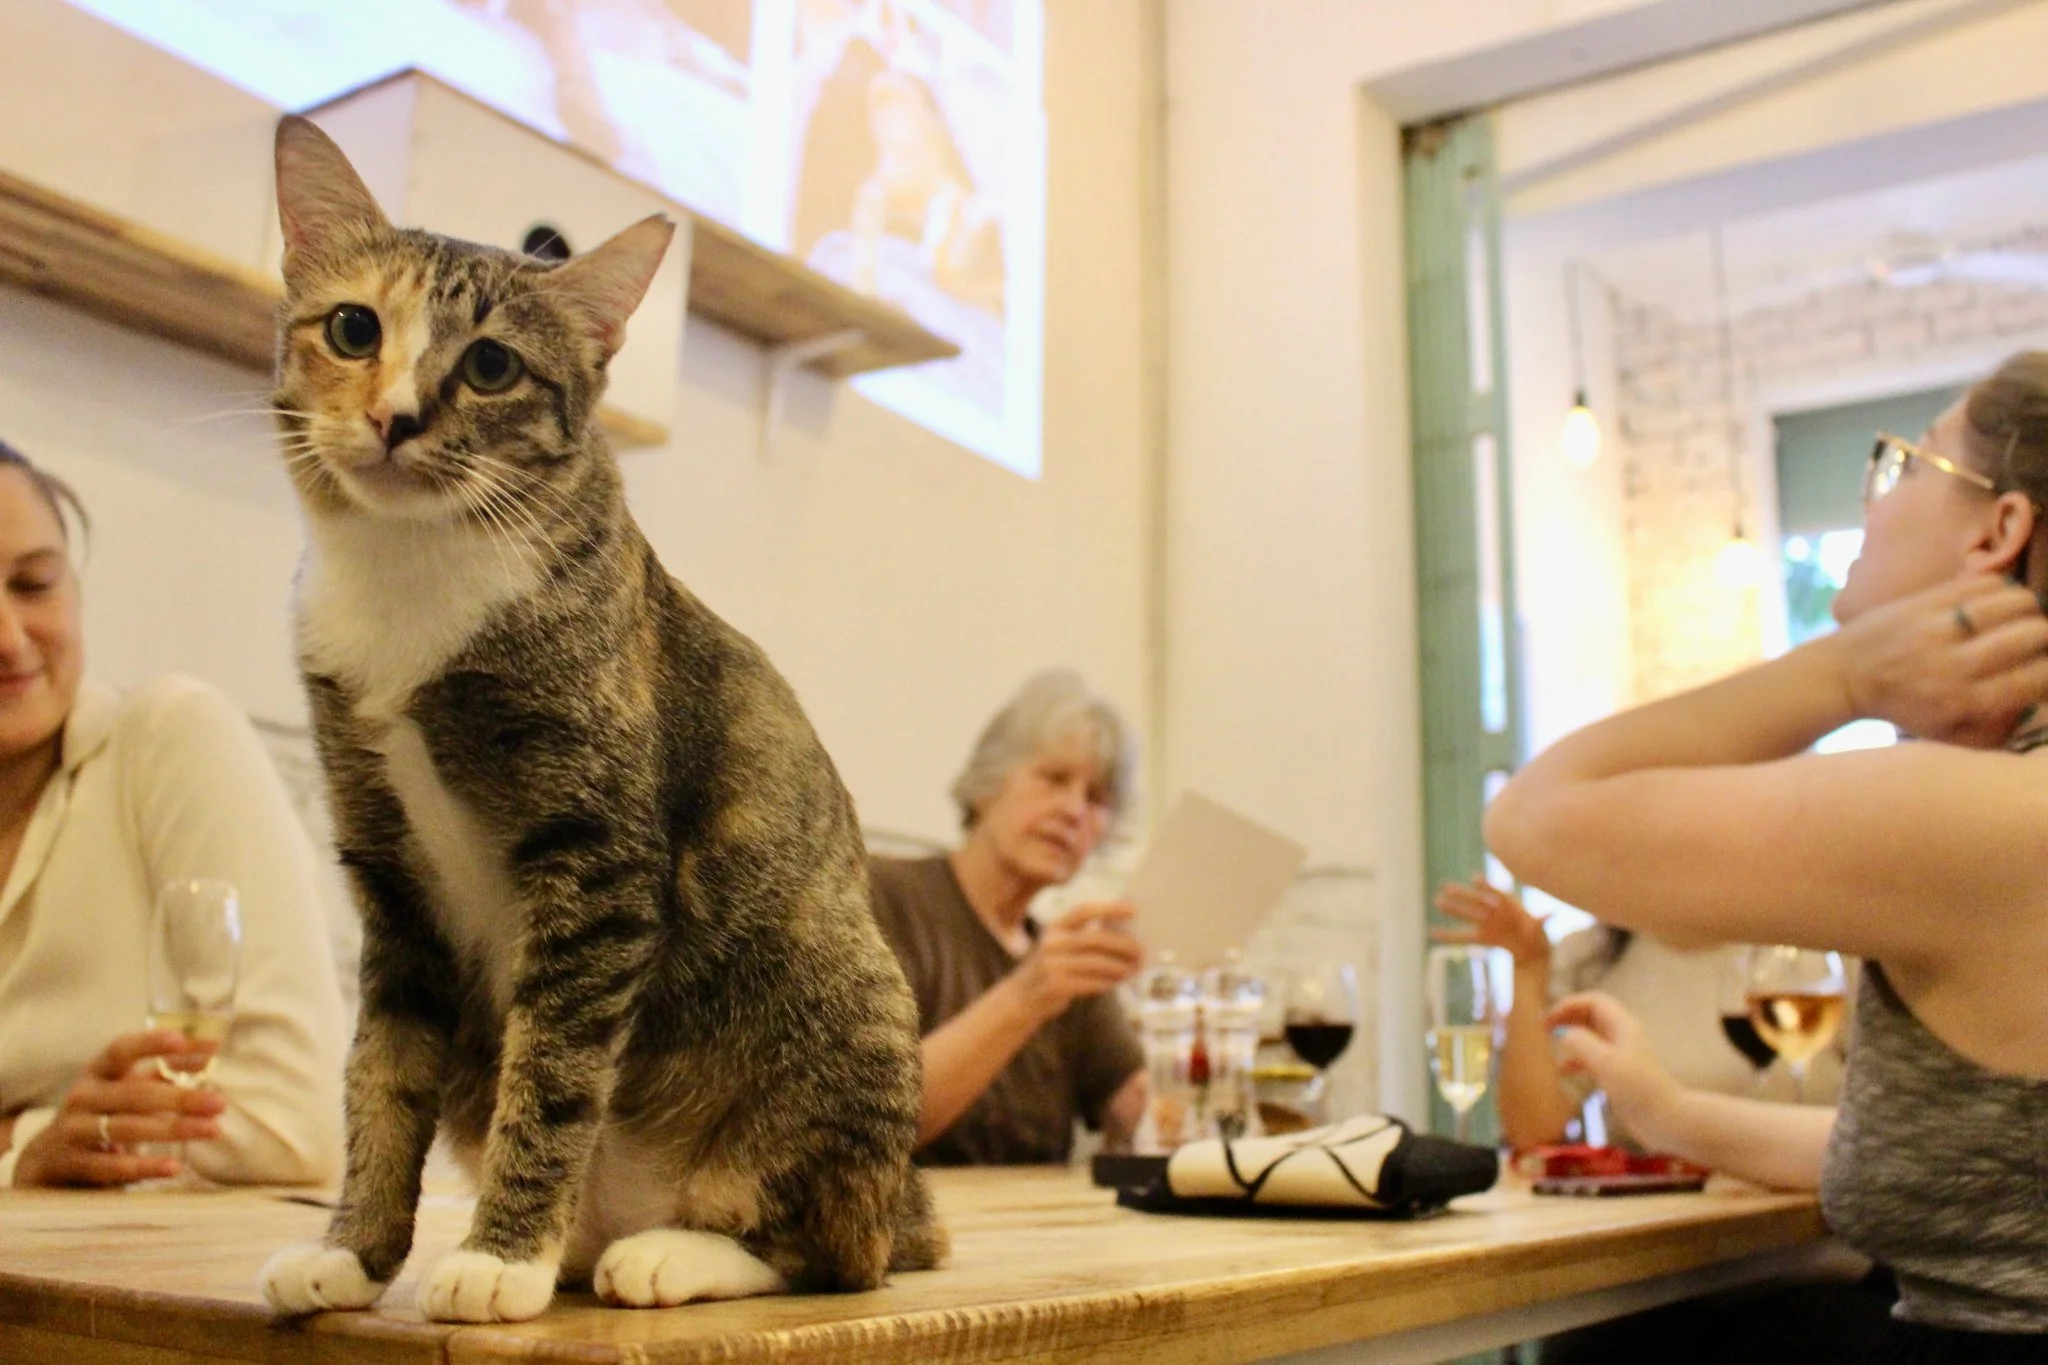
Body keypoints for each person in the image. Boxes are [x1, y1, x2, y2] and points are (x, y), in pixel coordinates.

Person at [1486, 355, 2048, 1358]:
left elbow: (1532, 815)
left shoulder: (1981, 814)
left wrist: (1846, 675)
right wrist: (1667, 1112)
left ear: (1996, 530)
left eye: (1905, 463)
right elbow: (1968, 1161)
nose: (1871, 500)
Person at [0, 441, 345, 1189]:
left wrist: (26, 1144)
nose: (8, 637)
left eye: (33, 585)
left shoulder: (168, 738)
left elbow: (298, 1125)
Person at [868, 670, 1145, 1165]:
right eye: (1054, 778)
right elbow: (863, 1121)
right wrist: (1028, 994)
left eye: (1096, 798)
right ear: (986, 786)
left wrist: (1193, 1051)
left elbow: (1141, 1118)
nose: (1074, 810)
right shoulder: (880, 895)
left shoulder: (1069, 963)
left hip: (1035, 1216)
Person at [1431, 878, 1842, 1151]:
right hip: (1666, 1236)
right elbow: (1532, 1132)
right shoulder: (1591, 960)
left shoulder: (1825, 943)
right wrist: (1528, 966)